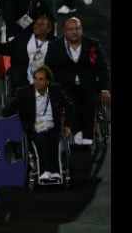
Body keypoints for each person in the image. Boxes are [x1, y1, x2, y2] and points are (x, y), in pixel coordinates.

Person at [44, 17, 110, 147]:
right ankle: (77, 131)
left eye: (77, 28)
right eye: (70, 29)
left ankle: (87, 134)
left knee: (90, 101)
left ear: (82, 29)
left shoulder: (93, 44)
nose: (74, 31)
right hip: (65, 87)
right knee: (70, 102)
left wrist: (104, 89)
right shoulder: (54, 46)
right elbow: (48, 69)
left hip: (88, 86)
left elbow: (102, 68)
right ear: (64, 31)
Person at [3, 65, 74, 180]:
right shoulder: (24, 93)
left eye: (41, 79)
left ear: (48, 81)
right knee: (40, 140)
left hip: (52, 128)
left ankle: (55, 172)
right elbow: (7, 111)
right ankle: (45, 171)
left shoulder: (56, 91)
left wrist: (68, 126)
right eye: (35, 78)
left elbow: (70, 108)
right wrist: (16, 125)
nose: (37, 82)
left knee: (54, 140)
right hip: (33, 129)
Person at [0, 15, 55, 91]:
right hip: (23, 71)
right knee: (15, 75)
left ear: (48, 29)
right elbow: (8, 48)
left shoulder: (55, 43)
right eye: (36, 23)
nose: (37, 26)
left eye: (42, 24)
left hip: (46, 73)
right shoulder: (23, 38)